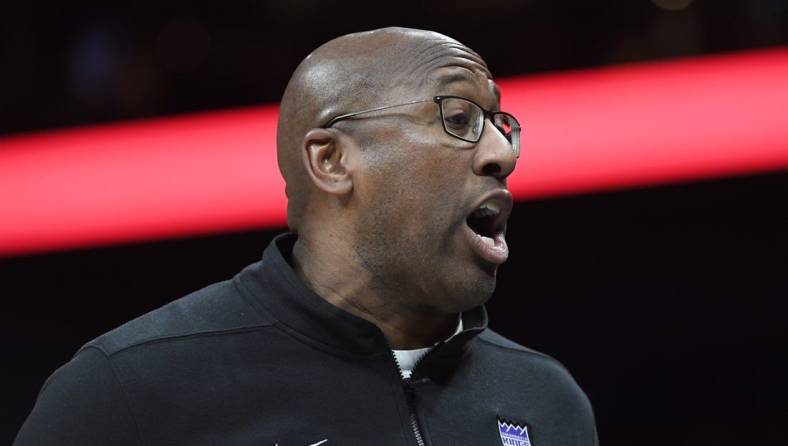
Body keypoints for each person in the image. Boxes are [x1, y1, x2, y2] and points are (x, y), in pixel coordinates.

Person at [15, 27, 598, 445]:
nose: (502, 153)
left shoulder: (546, 401)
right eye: (460, 119)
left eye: (502, 126)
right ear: (332, 161)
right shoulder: (126, 392)